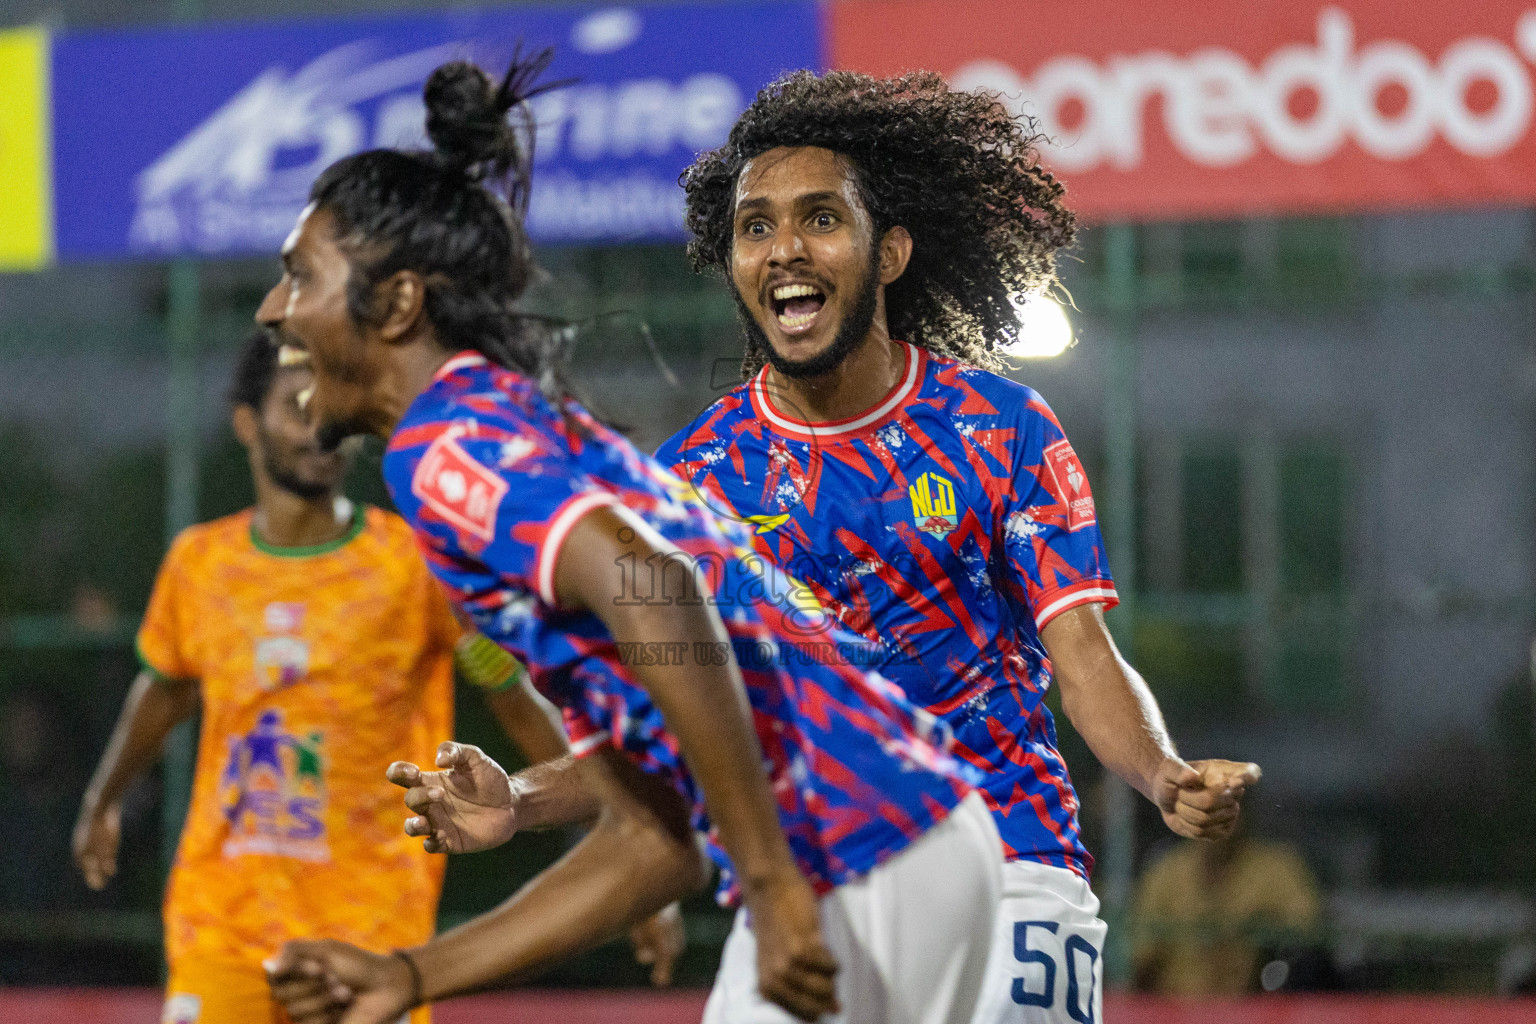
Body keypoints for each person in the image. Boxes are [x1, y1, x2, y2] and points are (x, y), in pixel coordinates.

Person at [260, 57, 1000, 1024]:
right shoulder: (508, 425)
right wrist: (412, 976)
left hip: (855, 857)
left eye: (297, 276)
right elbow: (659, 841)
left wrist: (773, 888)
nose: (274, 311)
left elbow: (655, 588)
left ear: (398, 305)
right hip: (915, 843)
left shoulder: (443, 446)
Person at [653, 69, 1260, 1024]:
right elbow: (661, 709)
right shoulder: (695, 476)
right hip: (822, 875)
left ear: (888, 252)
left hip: (1012, 862)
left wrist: (1161, 773)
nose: (783, 250)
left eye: (820, 218)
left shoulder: (1001, 427)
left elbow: (1084, 660)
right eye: (755, 226)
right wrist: (518, 800)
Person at [70, 331, 637, 1024]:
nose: (318, 427)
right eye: (294, 407)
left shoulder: (417, 564)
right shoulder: (198, 565)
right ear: (248, 422)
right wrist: (104, 798)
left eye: (329, 405)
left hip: (375, 935)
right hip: (221, 929)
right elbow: (164, 691)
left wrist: (615, 825)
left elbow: (508, 692)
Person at [1131, 822, 1322, 996]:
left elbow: (1309, 935)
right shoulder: (1166, 872)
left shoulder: (1276, 869)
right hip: (1177, 1010)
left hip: (1254, 1011)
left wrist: (1257, 927)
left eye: (1227, 803)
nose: (1214, 816)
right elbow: (1140, 961)